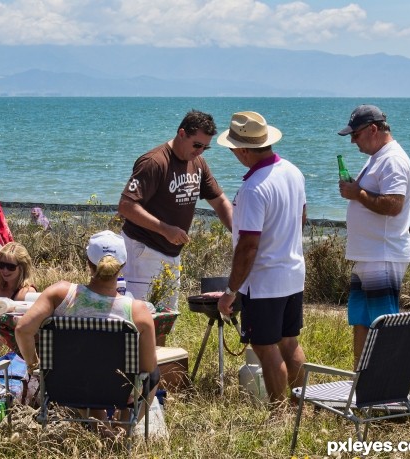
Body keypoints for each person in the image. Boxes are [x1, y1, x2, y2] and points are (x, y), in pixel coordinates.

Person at [15, 230, 158, 437]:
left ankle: (104, 432)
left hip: (64, 385)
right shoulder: (137, 311)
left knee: (83, 366)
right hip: (114, 390)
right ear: (122, 267)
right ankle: (121, 432)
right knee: (153, 375)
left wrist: (34, 366)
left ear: (88, 263)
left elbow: (22, 329)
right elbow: (147, 367)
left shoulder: (61, 293)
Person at [118, 109, 233, 346]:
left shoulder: (198, 163)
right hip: (143, 250)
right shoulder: (154, 162)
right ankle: (134, 376)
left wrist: (239, 232)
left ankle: (155, 373)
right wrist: (165, 229)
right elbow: (126, 206)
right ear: (182, 133)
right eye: (196, 144)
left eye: (205, 147)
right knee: (139, 322)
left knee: (164, 319)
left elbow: (219, 201)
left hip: (171, 255)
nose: (200, 151)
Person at [216, 111, 307, 405]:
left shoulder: (254, 188)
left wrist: (230, 292)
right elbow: (301, 217)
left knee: (265, 347)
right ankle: (299, 406)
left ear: (243, 150)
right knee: (289, 342)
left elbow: (248, 246)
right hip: (293, 272)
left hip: (265, 281)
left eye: (232, 149)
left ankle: (279, 412)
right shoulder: (293, 171)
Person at [337, 104, 410, 368]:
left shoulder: (392, 159)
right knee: (361, 320)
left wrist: (356, 193)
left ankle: (385, 387)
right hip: (368, 254)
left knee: (382, 324)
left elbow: (394, 205)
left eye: (355, 135)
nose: (352, 141)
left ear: (373, 129)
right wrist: (355, 191)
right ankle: (363, 380)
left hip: (383, 253)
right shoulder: (378, 157)